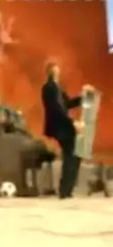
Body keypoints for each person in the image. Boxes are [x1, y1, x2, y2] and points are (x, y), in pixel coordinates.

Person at [41, 61, 88, 199]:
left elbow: (67, 104)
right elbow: (57, 108)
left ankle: (66, 189)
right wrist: (72, 122)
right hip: (60, 126)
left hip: (63, 125)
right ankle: (65, 190)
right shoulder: (50, 87)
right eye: (55, 70)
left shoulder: (57, 87)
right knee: (71, 154)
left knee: (73, 154)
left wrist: (82, 97)